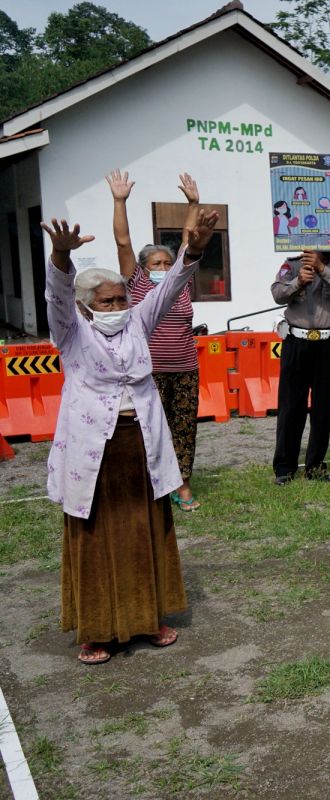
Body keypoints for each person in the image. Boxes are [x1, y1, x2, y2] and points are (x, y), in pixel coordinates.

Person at [43, 209, 220, 665]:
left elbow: (173, 285)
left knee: (145, 530)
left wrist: (195, 249)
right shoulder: (71, 331)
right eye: (107, 302)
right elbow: (57, 296)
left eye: (122, 299)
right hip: (92, 451)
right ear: (86, 307)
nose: (118, 308)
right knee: (96, 534)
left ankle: (148, 616)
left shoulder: (139, 321)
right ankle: (98, 630)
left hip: (141, 444)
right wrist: (61, 257)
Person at [107, 170, 203, 512]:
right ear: (144, 269)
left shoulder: (182, 284)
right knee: (149, 430)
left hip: (186, 369)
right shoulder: (138, 286)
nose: (163, 266)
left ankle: (184, 484)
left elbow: (190, 243)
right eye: (156, 263)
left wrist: (193, 204)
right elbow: (123, 242)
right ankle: (151, 485)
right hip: (148, 373)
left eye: (167, 262)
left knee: (183, 428)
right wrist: (119, 201)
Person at [270, 233, 330, 484]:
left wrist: (321, 269)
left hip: (328, 344)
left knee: (322, 407)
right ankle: (285, 468)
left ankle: (315, 466)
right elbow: (276, 293)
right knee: (290, 406)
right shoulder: (293, 264)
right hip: (296, 341)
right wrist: (297, 282)